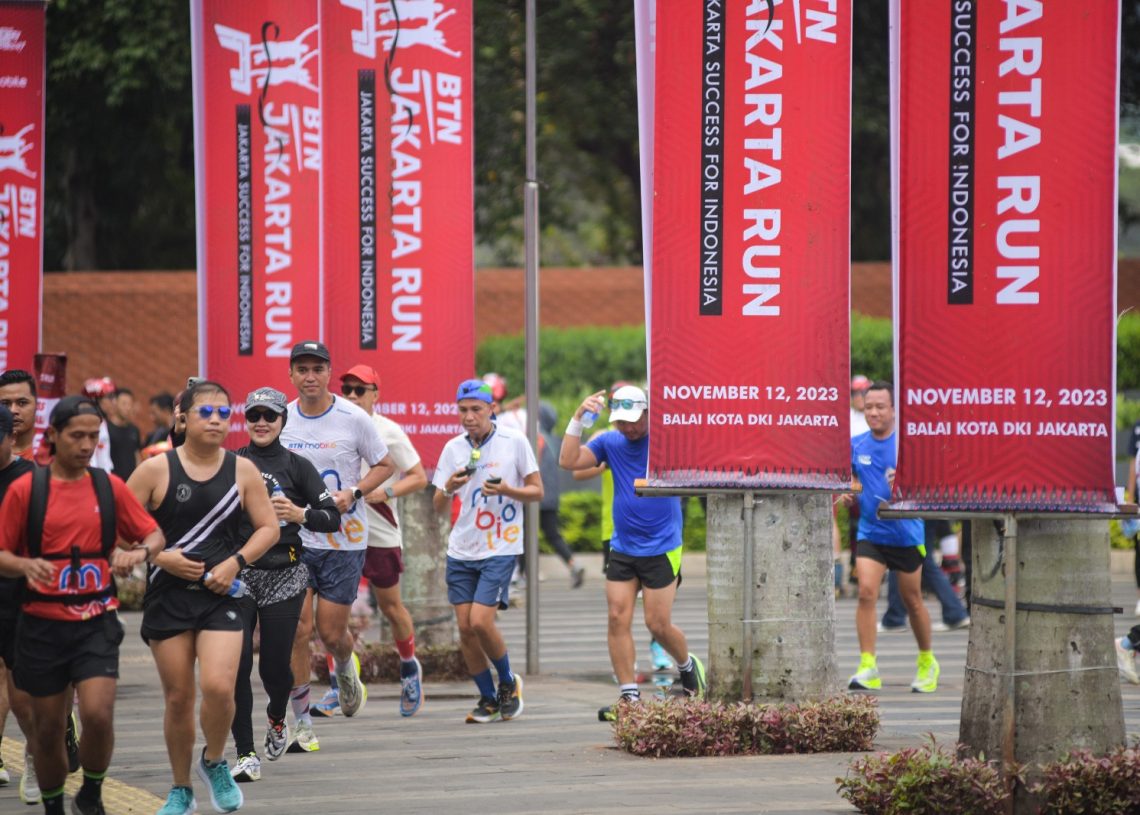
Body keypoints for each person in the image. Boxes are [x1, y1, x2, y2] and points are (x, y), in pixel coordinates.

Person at [0, 396, 164, 815]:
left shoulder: (107, 487)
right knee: (49, 728)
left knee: (97, 714)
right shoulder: (26, 490)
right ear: (53, 436)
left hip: (95, 621)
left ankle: (91, 790)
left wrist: (139, 554)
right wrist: (23, 564)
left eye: (94, 436)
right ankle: (54, 803)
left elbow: (153, 535)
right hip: (40, 625)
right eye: (77, 436)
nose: (87, 445)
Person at [128, 381, 279, 815]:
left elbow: (268, 528)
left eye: (222, 413)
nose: (215, 420)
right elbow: (120, 523)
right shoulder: (155, 470)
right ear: (183, 418)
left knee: (218, 685)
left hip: (223, 593)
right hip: (168, 594)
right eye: (205, 412)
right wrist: (162, 556)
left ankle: (214, 760)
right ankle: (180, 788)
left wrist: (235, 562)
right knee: (178, 698)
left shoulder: (241, 470)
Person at [559, 384, 707, 720]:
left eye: (634, 421)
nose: (628, 427)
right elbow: (568, 461)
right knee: (616, 617)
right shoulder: (610, 442)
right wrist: (578, 418)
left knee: (657, 624)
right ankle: (629, 696)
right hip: (623, 545)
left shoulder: (666, 441)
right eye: (621, 421)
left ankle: (687, 666)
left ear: (648, 413)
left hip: (662, 545)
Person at [279, 341, 395, 752]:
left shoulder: (353, 418)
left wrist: (355, 493)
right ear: (291, 375)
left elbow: (386, 465)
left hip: (343, 540)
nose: (310, 376)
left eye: (317, 369)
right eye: (302, 369)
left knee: (331, 633)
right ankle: (302, 723)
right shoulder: (281, 418)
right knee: (297, 630)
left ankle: (346, 668)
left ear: (329, 373)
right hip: (295, 538)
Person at [229, 388, 341, 783]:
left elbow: (333, 518)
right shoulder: (233, 462)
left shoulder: (298, 466)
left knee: (275, 666)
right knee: (236, 666)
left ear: (282, 420)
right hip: (239, 575)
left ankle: (278, 716)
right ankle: (245, 754)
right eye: (254, 415)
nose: (261, 422)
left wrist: (300, 512)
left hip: (286, 574)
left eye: (269, 415)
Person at [431, 379, 542, 723]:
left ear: (491, 409)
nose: (468, 417)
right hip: (462, 548)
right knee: (464, 628)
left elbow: (537, 491)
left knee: (481, 620)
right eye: (462, 410)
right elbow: (437, 505)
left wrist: (508, 489)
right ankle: (487, 697)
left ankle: (508, 682)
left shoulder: (514, 441)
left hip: (501, 545)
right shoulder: (453, 449)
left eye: (476, 410)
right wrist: (448, 487)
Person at [329, 364, 429, 718]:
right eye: (348, 389)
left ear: (376, 394)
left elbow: (417, 476)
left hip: (379, 532)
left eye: (360, 390)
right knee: (333, 612)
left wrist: (385, 491)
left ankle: (408, 667)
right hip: (338, 532)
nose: (353, 396)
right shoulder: (331, 425)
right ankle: (339, 680)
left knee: (390, 606)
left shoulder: (389, 430)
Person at [845, 381, 940, 693]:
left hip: (906, 533)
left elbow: (931, 486)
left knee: (912, 600)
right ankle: (867, 665)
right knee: (866, 593)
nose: (873, 412)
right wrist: (850, 492)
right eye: (869, 406)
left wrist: (907, 482)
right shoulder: (857, 444)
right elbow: (854, 480)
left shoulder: (908, 445)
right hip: (871, 532)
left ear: (894, 410)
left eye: (880, 407)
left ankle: (927, 661)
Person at [0, 405, 36, 801]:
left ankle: (34, 753)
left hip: (20, 598)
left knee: (24, 697)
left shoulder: (30, 480)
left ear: (10, 437)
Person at [877, 520, 970, 634]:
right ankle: (954, 612)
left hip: (911, 512)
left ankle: (895, 617)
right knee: (920, 560)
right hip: (924, 509)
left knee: (903, 557)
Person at [0, 369, 38, 460]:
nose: (13, 411)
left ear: (37, 404)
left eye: (22, 403)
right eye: (5, 403)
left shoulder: (52, 454)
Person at [106, 387, 142, 480]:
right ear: (115, 403)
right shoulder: (106, 429)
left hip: (131, 483)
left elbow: (137, 456)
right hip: (112, 481)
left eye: (130, 404)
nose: (127, 407)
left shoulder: (134, 430)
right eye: (124, 404)